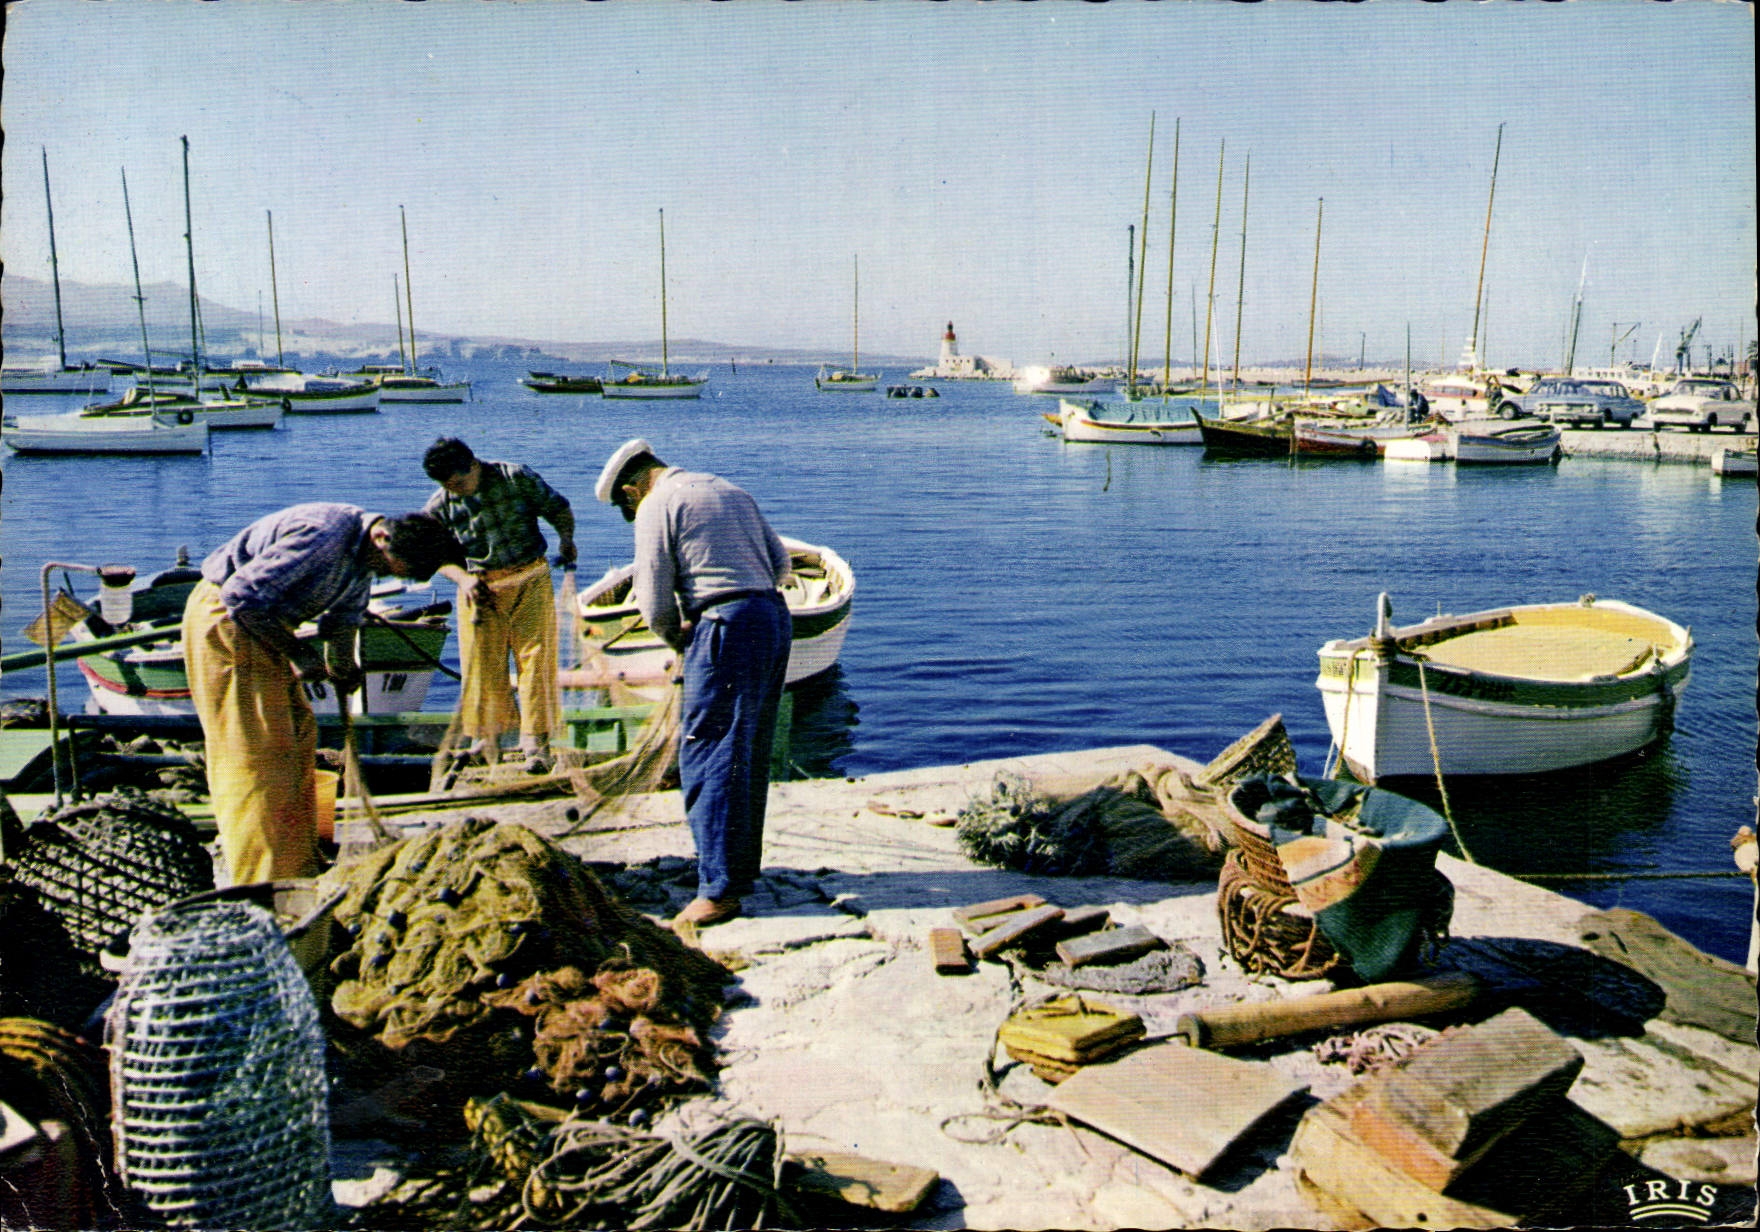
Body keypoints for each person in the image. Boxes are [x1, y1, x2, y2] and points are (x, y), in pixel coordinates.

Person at [182, 503, 463, 886]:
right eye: (387, 569)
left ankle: (296, 861)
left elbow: (343, 618)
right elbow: (239, 596)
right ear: (382, 539)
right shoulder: (324, 537)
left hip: (264, 625)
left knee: (297, 735)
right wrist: (300, 655)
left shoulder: (366, 555)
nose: (380, 575)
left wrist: (343, 666)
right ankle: (263, 879)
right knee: (256, 754)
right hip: (228, 622)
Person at [595, 438, 792, 927]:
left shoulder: (655, 504)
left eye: (627, 503)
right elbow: (782, 565)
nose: (631, 510)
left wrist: (677, 636)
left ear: (632, 487)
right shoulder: (729, 489)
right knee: (746, 750)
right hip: (772, 616)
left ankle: (719, 890)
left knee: (706, 753)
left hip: (724, 623)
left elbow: (654, 596)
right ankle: (736, 872)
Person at [422, 437, 577, 771]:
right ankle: (487, 742)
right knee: (481, 667)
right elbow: (432, 555)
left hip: (529, 577)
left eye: (461, 483)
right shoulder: (439, 505)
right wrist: (462, 579)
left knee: (536, 660)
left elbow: (558, 508)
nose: (457, 491)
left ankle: (536, 744)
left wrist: (566, 540)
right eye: (449, 486)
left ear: (474, 465)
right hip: (479, 587)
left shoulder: (515, 477)